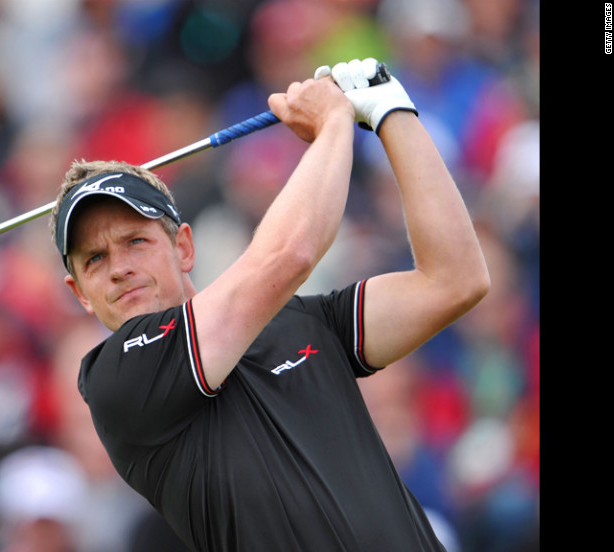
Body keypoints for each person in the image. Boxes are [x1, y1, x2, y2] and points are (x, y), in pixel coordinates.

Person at [47, 58, 490, 551]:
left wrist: (392, 111)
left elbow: (454, 281)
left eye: (135, 241)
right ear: (80, 293)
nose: (118, 267)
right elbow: (288, 255)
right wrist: (335, 121)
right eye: (95, 259)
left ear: (184, 248)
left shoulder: (303, 320)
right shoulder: (116, 378)